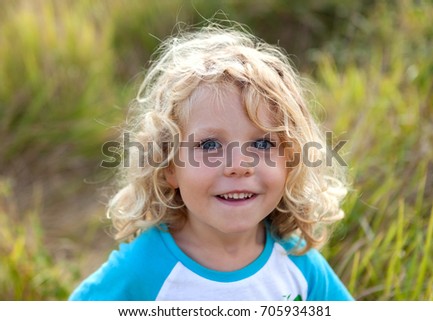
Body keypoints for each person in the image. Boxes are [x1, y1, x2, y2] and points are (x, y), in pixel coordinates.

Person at [69, 22, 353, 301]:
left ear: (289, 162)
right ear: (169, 166)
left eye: (263, 143)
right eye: (210, 145)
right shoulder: (143, 267)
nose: (239, 165)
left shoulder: (297, 262)